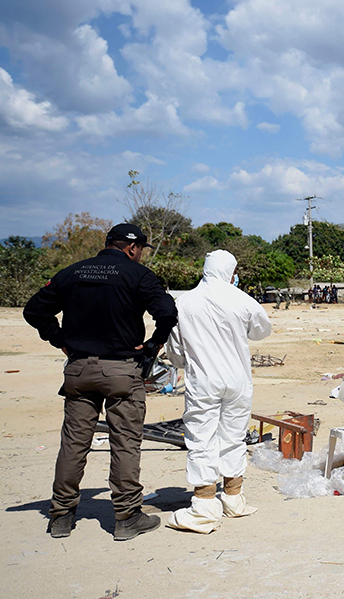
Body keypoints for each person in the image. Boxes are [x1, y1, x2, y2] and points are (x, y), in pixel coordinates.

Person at [23, 223, 177, 540]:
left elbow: (34, 310)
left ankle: (62, 516)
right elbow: (167, 313)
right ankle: (126, 517)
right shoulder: (138, 275)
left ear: (108, 244)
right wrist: (153, 344)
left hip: (78, 370)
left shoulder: (72, 272)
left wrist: (59, 339)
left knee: (74, 444)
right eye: (140, 251)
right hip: (122, 370)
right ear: (132, 248)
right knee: (125, 443)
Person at [165, 250, 272, 533]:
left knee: (201, 439)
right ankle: (234, 499)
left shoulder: (183, 302)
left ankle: (203, 507)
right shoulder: (241, 300)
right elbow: (262, 331)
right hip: (238, 380)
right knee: (234, 437)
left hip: (203, 380)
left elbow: (175, 353)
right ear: (231, 271)